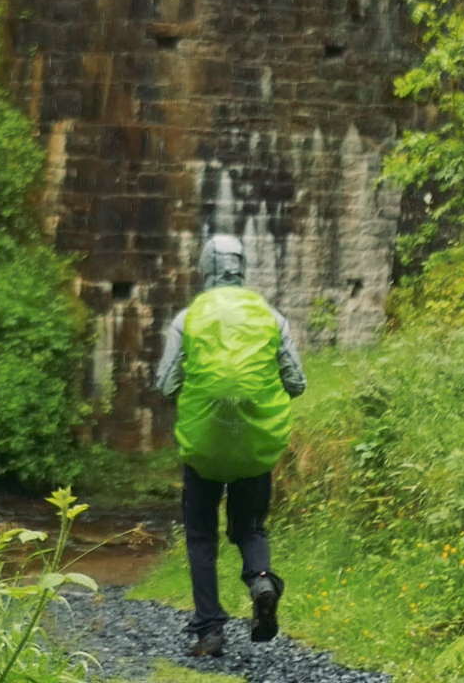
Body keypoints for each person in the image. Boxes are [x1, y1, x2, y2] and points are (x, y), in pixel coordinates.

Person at [154, 233, 307, 658]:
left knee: (201, 536)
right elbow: (297, 382)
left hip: (203, 446)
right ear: (243, 267)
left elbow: (165, 382)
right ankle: (260, 580)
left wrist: (200, 394)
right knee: (250, 527)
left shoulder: (188, 319)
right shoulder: (272, 318)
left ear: (205, 267)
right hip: (254, 445)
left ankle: (209, 632)